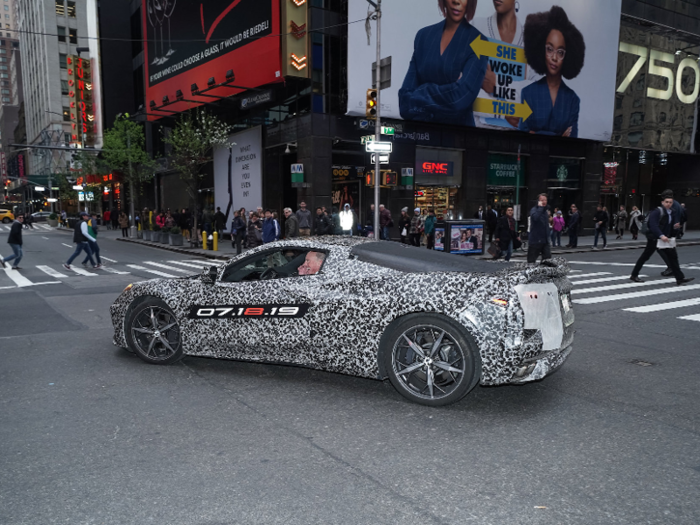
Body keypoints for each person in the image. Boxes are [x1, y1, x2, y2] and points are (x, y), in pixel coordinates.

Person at [399, 0, 488, 126]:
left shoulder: (480, 43)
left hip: (458, 139)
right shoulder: (423, 36)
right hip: (420, 135)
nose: (456, 1)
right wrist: (447, 93)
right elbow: (404, 103)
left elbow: (460, 98)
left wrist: (422, 89)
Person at [518, 6, 584, 137]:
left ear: (568, 56)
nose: (554, 57)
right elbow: (524, 135)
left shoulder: (572, 100)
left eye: (560, 52)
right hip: (531, 157)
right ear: (540, 50)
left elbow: (571, 140)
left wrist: (537, 133)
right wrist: (559, 136)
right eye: (549, 49)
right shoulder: (528, 94)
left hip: (561, 157)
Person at [631, 191, 693, 286]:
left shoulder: (672, 212)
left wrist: (675, 227)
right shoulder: (657, 211)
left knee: (673, 257)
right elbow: (653, 225)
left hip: (665, 238)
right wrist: (661, 235)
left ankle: (680, 278)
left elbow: (668, 225)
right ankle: (634, 275)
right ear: (662, 202)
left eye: (670, 202)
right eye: (667, 202)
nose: (668, 204)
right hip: (655, 238)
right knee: (645, 256)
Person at [527, 193, 551, 263]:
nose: (544, 202)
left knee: (547, 260)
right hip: (535, 240)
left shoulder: (545, 211)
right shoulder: (534, 210)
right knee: (531, 261)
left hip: (545, 240)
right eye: (542, 200)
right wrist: (540, 208)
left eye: (545, 200)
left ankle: (544, 272)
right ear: (538, 201)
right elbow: (535, 218)